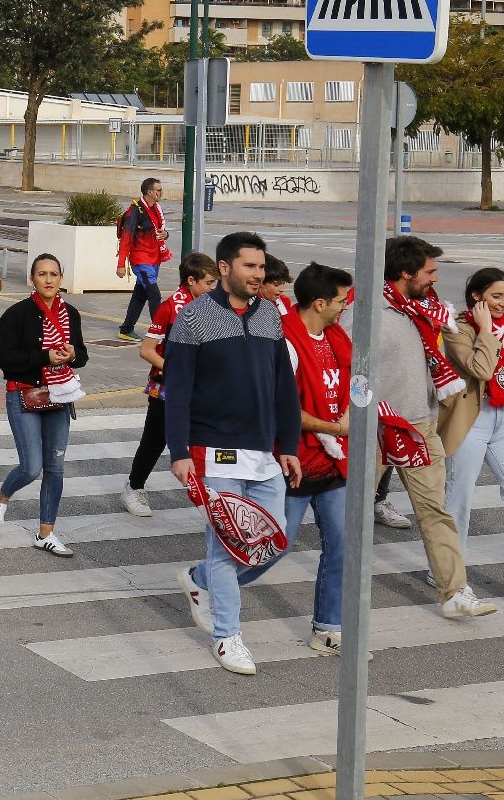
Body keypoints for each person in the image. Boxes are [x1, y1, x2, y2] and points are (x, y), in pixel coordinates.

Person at [165, 231, 303, 675]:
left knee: (274, 541)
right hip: (213, 452)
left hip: (264, 452)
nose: (258, 275)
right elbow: (178, 391)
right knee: (228, 548)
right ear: (225, 269)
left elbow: (284, 386)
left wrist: (289, 445)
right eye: (250, 267)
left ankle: (199, 581)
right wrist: (179, 451)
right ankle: (227, 637)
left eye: (262, 268)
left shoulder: (271, 317)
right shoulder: (194, 318)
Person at [378, 234, 497, 619]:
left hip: (422, 426)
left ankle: (454, 592)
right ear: (405, 272)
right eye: (429, 271)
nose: (435, 278)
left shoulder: (428, 311)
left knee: (436, 511)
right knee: (346, 517)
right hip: (376, 430)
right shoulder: (367, 312)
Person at [244, 261, 357, 653]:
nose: (346, 307)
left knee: (343, 545)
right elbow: (282, 411)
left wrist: (354, 415)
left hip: (334, 463)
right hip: (293, 462)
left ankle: (328, 628)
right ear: (320, 302)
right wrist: (335, 429)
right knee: (275, 546)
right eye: (341, 301)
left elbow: (352, 386)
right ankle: (206, 581)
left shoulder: (338, 338)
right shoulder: (284, 341)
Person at [442, 267, 504, 612]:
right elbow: (479, 370)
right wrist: (485, 331)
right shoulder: (458, 329)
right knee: (458, 502)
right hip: (471, 420)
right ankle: (450, 577)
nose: (503, 303)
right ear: (477, 296)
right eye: (496, 296)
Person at [0, 254, 88, 556]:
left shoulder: (71, 313)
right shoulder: (16, 314)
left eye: (54, 274)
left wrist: (71, 354)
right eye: (42, 274)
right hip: (24, 394)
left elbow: (82, 355)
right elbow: (5, 360)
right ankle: (2, 497)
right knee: (32, 467)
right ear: (32, 278)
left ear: (61, 279)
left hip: (59, 395)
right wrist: (45, 357)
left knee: (55, 467)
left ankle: (46, 532)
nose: (48, 279)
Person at [121, 252, 220, 517]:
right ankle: (134, 487)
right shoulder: (169, 308)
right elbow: (147, 350)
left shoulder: (210, 307)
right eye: (209, 282)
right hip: (167, 387)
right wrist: (178, 369)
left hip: (200, 388)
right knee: (155, 440)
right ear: (191, 280)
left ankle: (209, 489)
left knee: (202, 437)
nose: (213, 288)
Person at [116, 178, 171, 341]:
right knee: (154, 295)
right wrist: (120, 265)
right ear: (150, 192)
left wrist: (166, 235)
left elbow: (161, 231)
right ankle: (159, 333)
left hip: (154, 259)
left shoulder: (156, 209)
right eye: (158, 190)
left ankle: (126, 329)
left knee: (140, 294)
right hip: (141, 261)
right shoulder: (135, 211)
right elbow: (126, 239)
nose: (161, 193)